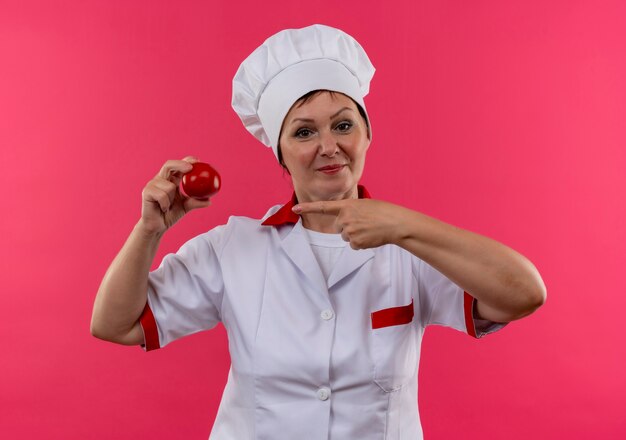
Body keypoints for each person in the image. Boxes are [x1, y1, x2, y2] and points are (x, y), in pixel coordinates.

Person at [91, 24, 546, 440]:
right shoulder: (233, 247)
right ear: (281, 155)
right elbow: (116, 325)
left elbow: (524, 293)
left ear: (368, 136)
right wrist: (149, 230)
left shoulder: (412, 247)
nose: (329, 147)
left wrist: (405, 225)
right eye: (304, 132)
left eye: (344, 125)